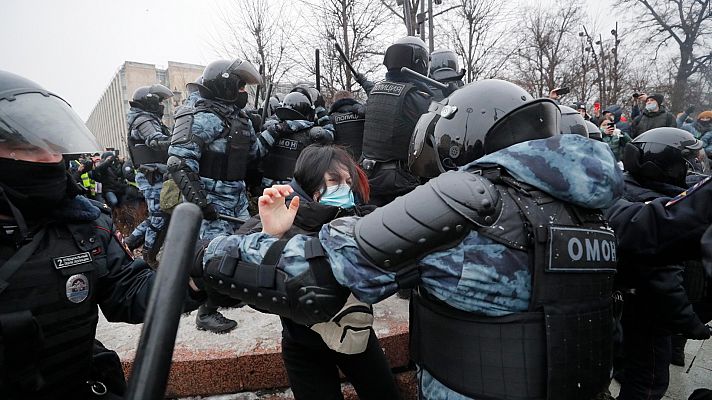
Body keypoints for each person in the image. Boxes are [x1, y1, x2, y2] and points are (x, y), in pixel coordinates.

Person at [199, 79, 625, 399]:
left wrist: (203, 257)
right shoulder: (588, 211)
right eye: (332, 182)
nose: (342, 188)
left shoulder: (466, 197)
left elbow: (316, 278)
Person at [0, 69, 204, 399]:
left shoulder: (85, 223)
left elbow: (128, 291)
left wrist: (197, 270)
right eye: (28, 148)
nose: (51, 159)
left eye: (54, 147)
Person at [234, 144, 401, 400]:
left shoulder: (359, 218)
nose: (343, 188)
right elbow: (244, 286)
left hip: (355, 334)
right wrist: (270, 238)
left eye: (347, 181)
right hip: (303, 342)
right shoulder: (280, 215)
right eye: (333, 180)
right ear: (311, 185)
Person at [606, 127, 712, 400]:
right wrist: (690, 323)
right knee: (649, 381)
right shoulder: (651, 207)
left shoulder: (626, 190)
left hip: (625, 309)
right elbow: (662, 279)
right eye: (689, 163)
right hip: (647, 315)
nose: (696, 168)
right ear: (662, 166)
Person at [167, 58, 271, 333]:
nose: (243, 93)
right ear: (225, 84)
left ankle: (225, 293)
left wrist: (264, 131)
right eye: (239, 86)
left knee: (243, 243)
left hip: (235, 194)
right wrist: (201, 203)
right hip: (211, 197)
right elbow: (178, 162)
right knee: (212, 255)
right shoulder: (201, 117)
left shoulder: (239, 118)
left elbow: (253, 156)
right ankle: (206, 311)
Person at [360, 36, 433, 206]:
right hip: (400, 185)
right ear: (420, 62)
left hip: (368, 177)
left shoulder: (376, 92)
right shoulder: (417, 99)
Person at [124, 84, 174, 266]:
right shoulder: (143, 120)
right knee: (159, 216)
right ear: (150, 101)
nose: (162, 105)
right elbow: (156, 141)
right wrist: (180, 140)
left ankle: (129, 244)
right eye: (159, 101)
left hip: (157, 174)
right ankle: (148, 256)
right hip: (152, 176)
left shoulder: (146, 118)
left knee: (159, 216)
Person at [260, 90, 335, 188]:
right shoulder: (313, 134)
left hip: (269, 191)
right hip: (296, 191)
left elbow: (255, 154)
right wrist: (320, 109)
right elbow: (330, 135)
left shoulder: (272, 131)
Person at [328, 90, 366, 160]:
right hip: (364, 161)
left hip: (342, 162)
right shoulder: (364, 115)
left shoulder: (331, 118)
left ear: (335, 102)